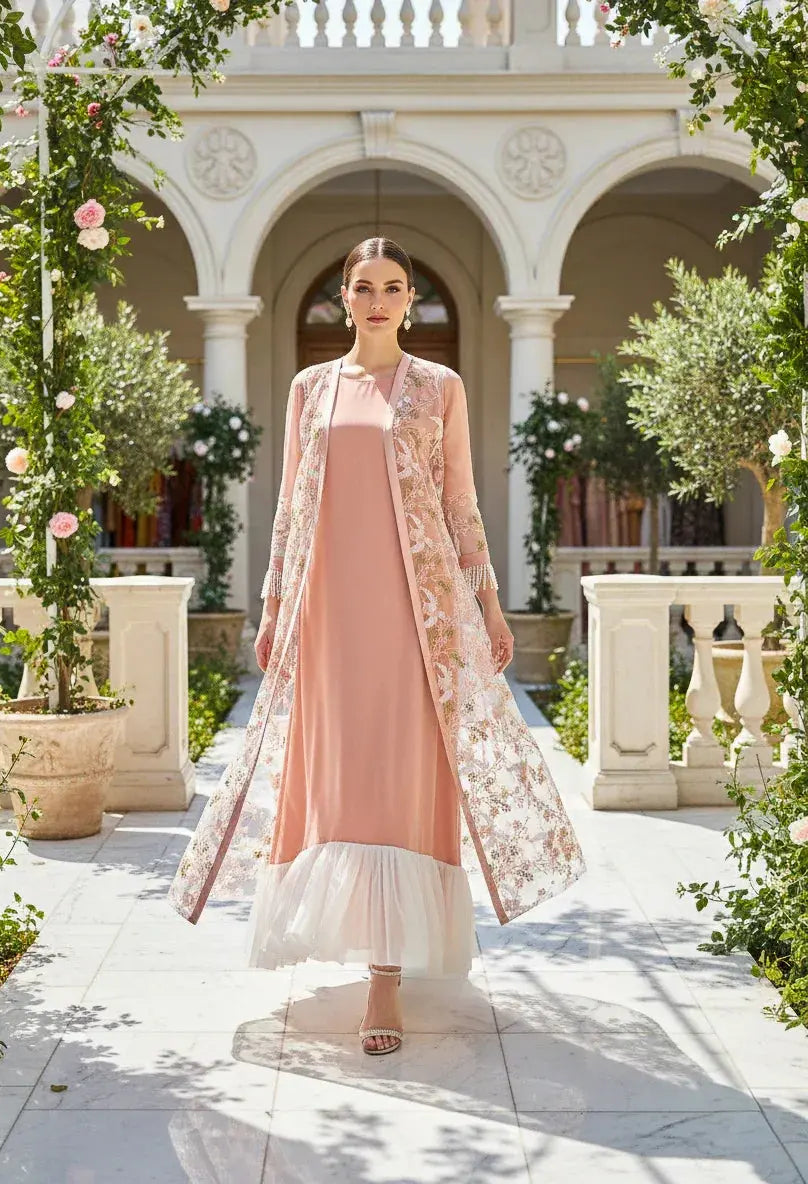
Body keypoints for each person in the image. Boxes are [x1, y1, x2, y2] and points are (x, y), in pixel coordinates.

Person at [166, 237, 586, 1058]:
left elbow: (460, 504)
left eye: (394, 287)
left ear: (411, 300)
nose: (379, 300)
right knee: (337, 778)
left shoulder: (441, 387)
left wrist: (490, 607)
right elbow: (292, 507)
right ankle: (351, 935)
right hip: (329, 612)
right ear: (343, 298)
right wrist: (274, 605)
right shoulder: (311, 388)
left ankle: (386, 972)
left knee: (403, 778)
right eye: (364, 287)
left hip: (415, 616)